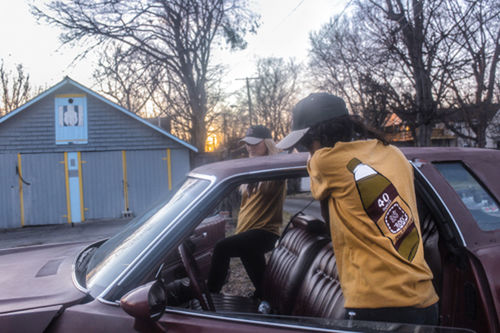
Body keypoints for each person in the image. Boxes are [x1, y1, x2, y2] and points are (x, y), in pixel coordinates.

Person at [276, 93, 439, 325]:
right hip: (423, 300)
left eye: (305, 144)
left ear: (319, 136)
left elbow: (323, 198)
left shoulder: (324, 161)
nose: (306, 151)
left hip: (379, 306)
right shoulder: (392, 153)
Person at [207, 125, 286, 298]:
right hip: (247, 232)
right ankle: (267, 299)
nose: (249, 147)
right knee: (262, 284)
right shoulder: (250, 169)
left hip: (264, 232)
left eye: (254, 143)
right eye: (247, 144)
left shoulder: (275, 167)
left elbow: (281, 160)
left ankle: (210, 296)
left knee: (222, 248)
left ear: (267, 144)